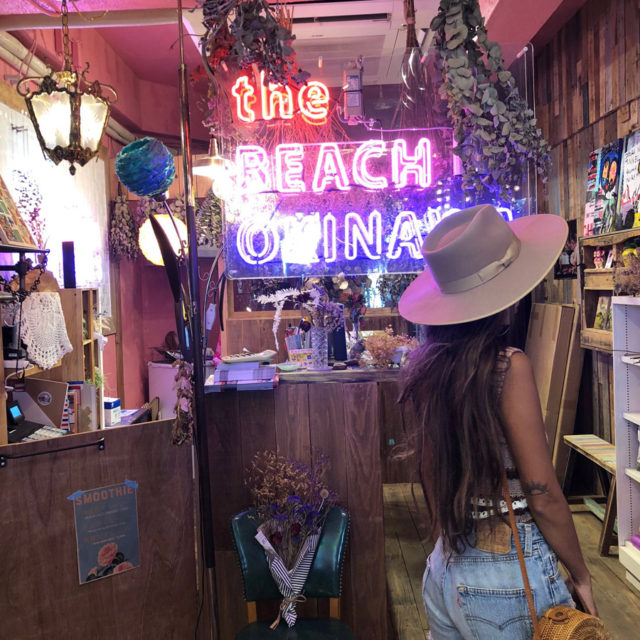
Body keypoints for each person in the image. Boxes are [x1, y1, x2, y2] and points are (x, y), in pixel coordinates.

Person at [397, 204, 597, 639]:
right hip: (506, 571)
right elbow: (542, 495)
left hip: (446, 566)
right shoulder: (507, 368)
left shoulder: (428, 370)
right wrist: (581, 573)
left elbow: (434, 478)